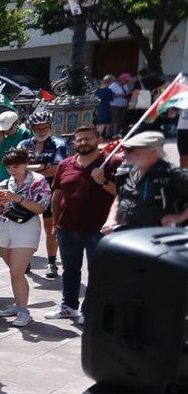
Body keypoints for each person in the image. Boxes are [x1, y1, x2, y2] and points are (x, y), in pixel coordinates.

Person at [48, 126, 118, 324]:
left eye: (87, 139)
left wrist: (102, 181)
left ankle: (91, 307)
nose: (83, 143)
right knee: (70, 269)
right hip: (67, 227)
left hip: (99, 229)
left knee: (98, 270)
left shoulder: (112, 162)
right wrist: (55, 223)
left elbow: (122, 194)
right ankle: (69, 305)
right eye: (79, 140)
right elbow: (57, 195)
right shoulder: (65, 164)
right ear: (74, 143)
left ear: (98, 139)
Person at [0, 149, 51, 328]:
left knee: (17, 271)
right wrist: (0, 204)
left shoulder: (38, 181)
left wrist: (17, 198)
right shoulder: (4, 183)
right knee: (14, 272)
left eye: (16, 166)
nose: (12, 170)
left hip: (26, 227)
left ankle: (24, 311)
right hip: (4, 226)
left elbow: (40, 209)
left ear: (26, 163)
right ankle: (19, 305)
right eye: (9, 167)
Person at [104, 131, 188, 232]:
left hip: (155, 238)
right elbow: (119, 198)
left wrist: (180, 217)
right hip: (126, 235)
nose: (125, 153)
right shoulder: (128, 170)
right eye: (125, 149)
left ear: (153, 151)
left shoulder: (171, 173)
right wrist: (111, 220)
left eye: (131, 150)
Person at [17, 108, 67, 276]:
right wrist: (40, 167)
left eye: (45, 127)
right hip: (26, 192)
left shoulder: (58, 144)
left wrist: (29, 169)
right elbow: (16, 167)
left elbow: (55, 169)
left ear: (50, 126)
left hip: (51, 191)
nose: (41, 130)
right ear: (31, 128)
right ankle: (25, 260)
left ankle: (52, 262)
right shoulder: (24, 145)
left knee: (50, 227)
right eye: (37, 128)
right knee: (24, 226)